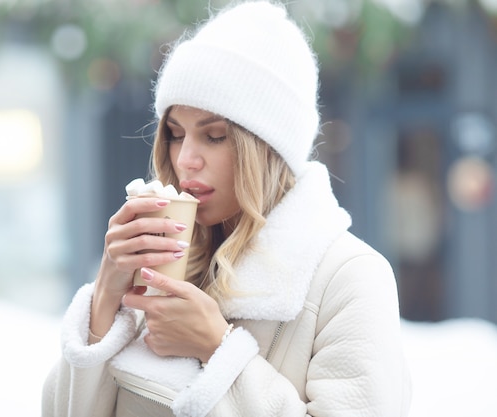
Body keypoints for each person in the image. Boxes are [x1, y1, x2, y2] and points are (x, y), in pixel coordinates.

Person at [42, 1, 412, 416]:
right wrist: (106, 298)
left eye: (214, 136)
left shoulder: (348, 278)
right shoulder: (161, 263)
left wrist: (219, 349)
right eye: (176, 135)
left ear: (268, 150)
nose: (185, 160)